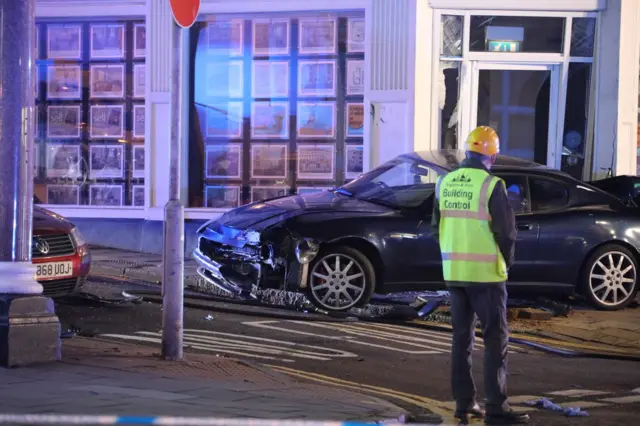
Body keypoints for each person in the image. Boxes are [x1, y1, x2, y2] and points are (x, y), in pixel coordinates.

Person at [431, 126, 529, 425]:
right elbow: (506, 232)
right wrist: (506, 262)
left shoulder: (444, 182)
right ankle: (496, 407)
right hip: (486, 275)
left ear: (468, 151)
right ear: (492, 155)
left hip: (455, 274)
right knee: (496, 339)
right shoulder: (491, 184)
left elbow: (437, 228)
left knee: (461, 341)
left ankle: (464, 404)